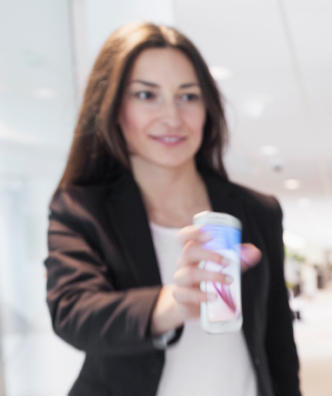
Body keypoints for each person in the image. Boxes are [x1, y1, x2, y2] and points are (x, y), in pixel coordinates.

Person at [44, 22, 300, 396]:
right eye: (146, 95)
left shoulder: (255, 211)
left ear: (207, 107)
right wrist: (170, 303)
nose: (172, 117)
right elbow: (74, 314)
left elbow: (278, 342)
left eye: (188, 96)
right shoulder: (82, 209)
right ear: (115, 108)